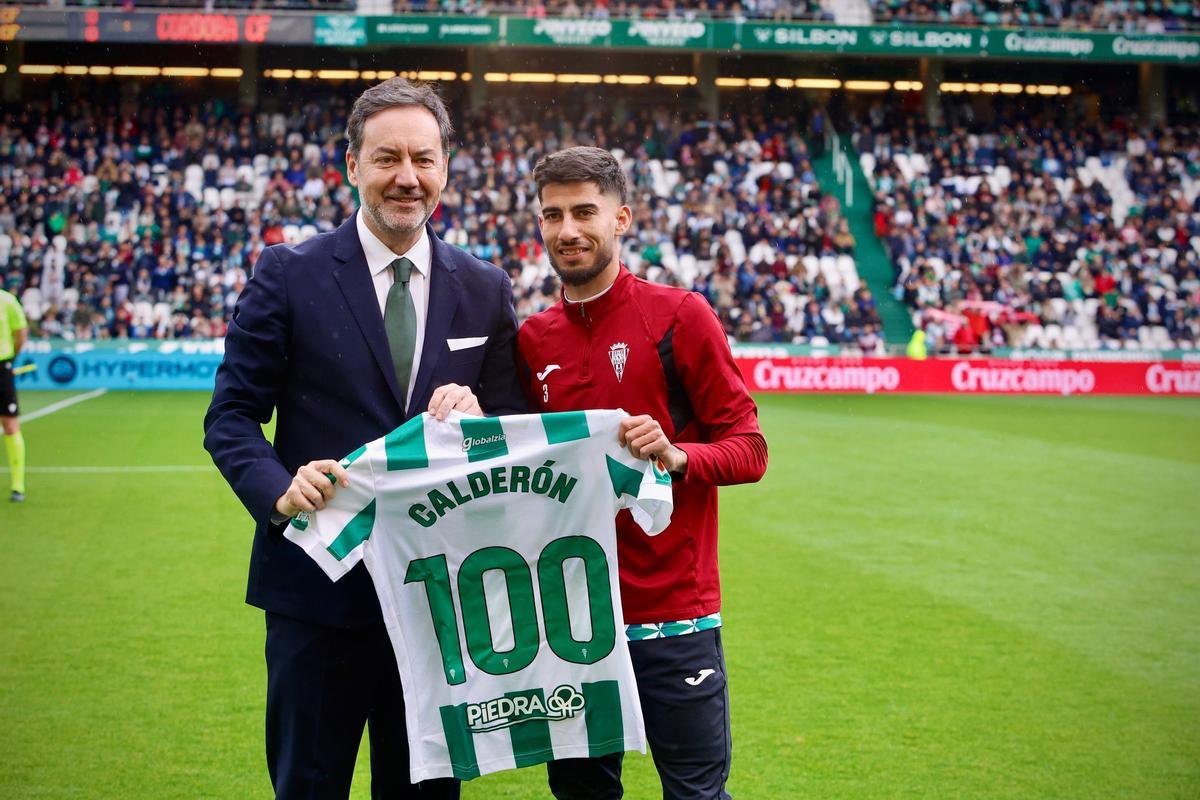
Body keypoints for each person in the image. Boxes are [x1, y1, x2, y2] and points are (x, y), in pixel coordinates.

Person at [203, 78, 525, 799]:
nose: (406, 178)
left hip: (438, 604)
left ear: (446, 167)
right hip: (317, 592)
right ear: (351, 164)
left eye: (423, 158)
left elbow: (512, 430)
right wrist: (278, 490)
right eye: (386, 159)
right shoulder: (289, 273)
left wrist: (480, 420)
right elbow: (230, 417)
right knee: (308, 787)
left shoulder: (485, 287)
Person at [519, 146, 768, 800]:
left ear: (621, 218)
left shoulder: (680, 316)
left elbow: (749, 447)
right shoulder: (533, 339)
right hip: (573, 623)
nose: (567, 229)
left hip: (673, 617)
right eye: (552, 215)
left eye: (584, 212)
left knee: (695, 794)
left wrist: (679, 455)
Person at [1, 287, 28, 502]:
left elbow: (20, 334)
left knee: (10, 424)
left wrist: (11, 358)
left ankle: (17, 485)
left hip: (2, 366)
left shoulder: (8, 301)